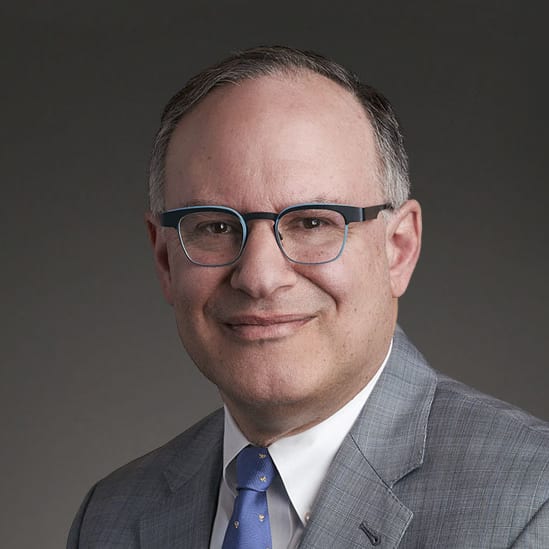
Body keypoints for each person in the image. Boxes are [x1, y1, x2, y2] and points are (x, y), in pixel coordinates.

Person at [67, 46, 549, 548]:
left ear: (398, 249)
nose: (259, 277)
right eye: (215, 227)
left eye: (312, 223)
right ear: (165, 259)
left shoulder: (534, 505)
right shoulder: (111, 517)